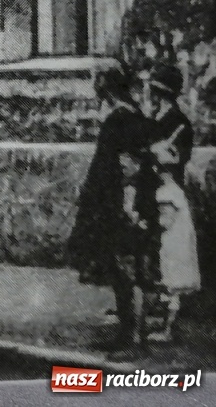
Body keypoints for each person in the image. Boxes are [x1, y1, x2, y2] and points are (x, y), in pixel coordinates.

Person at [65, 59, 153, 356]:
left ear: (106, 82)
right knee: (119, 270)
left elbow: (130, 166)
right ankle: (127, 334)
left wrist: (129, 207)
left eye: (96, 77)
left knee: (128, 270)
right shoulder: (121, 115)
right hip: (111, 204)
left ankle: (135, 341)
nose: (93, 82)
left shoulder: (124, 118)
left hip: (122, 206)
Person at [140, 61, 198, 344]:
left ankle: (165, 319)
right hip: (152, 190)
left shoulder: (179, 123)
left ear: (158, 91)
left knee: (166, 254)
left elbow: (177, 159)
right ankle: (152, 309)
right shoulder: (154, 119)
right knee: (152, 252)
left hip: (166, 191)